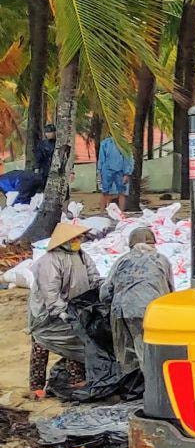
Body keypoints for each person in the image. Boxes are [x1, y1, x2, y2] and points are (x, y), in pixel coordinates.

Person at [27, 221, 96, 399]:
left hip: (73, 309)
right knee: (41, 345)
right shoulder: (49, 261)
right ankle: (36, 387)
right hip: (46, 315)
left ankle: (76, 381)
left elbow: (93, 277)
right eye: (75, 238)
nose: (78, 241)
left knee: (76, 343)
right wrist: (60, 311)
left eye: (79, 238)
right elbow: (50, 292)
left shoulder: (82, 256)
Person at [100, 225, 173, 378]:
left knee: (126, 353)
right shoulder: (161, 260)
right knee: (148, 351)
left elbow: (106, 292)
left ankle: (131, 387)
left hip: (121, 311)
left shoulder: (122, 261)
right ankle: (151, 386)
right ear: (153, 244)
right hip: (150, 312)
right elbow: (170, 290)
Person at [97, 133, 132, 212]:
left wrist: (126, 173)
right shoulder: (105, 143)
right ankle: (102, 212)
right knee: (105, 191)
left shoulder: (123, 143)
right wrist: (99, 171)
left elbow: (127, 158)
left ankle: (121, 212)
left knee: (122, 192)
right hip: (106, 170)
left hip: (120, 170)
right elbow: (101, 158)